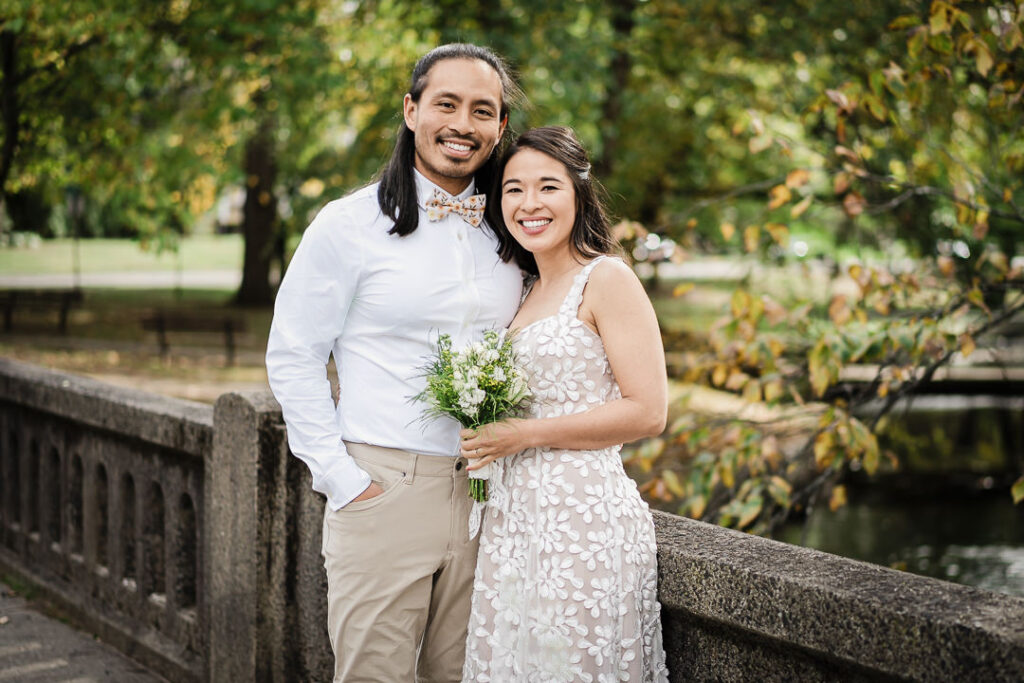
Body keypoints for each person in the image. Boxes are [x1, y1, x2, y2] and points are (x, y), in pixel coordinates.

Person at [265, 44, 525, 682]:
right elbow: (294, 354)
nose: (463, 124)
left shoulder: (515, 232)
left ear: (499, 129)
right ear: (412, 111)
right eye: (446, 104)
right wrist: (341, 477)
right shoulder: (348, 224)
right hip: (383, 489)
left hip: (490, 497)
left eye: (482, 111)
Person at [459, 126, 670, 681]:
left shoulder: (607, 279)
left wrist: (522, 435)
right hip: (513, 521)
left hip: (582, 524)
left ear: (579, 194)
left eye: (548, 187)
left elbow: (649, 411)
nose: (530, 204)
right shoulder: (523, 289)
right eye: (513, 189)